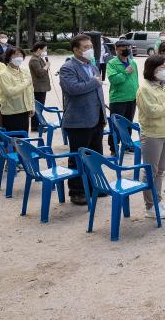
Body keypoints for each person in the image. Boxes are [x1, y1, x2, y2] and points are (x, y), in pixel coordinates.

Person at [59, 34, 108, 206]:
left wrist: (103, 113)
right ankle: (77, 191)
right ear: (75, 50)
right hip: (79, 121)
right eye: (85, 47)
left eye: (90, 46)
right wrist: (94, 83)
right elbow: (72, 89)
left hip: (96, 118)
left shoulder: (93, 66)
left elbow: (98, 92)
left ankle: (94, 186)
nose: (90, 49)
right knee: (78, 157)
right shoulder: (68, 67)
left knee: (94, 155)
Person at [136, 54, 165, 219]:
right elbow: (153, 112)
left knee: (160, 170)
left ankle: (158, 200)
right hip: (152, 134)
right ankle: (150, 206)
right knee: (150, 171)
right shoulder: (144, 88)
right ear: (151, 70)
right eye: (161, 68)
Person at [106, 40, 139, 157]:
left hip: (132, 98)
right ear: (116, 49)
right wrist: (125, 72)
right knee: (116, 125)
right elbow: (114, 80)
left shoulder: (133, 63)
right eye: (123, 47)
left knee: (129, 123)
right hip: (118, 99)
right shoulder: (112, 63)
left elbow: (136, 80)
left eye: (128, 47)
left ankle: (128, 145)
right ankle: (114, 147)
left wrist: (138, 94)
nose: (126, 49)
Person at [0, 48, 34, 134]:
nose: (19, 57)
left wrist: (31, 107)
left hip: (24, 111)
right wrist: (25, 83)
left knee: (23, 138)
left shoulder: (25, 71)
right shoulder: (4, 74)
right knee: (13, 141)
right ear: (9, 57)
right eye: (16, 55)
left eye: (21, 55)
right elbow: (9, 92)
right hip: (11, 112)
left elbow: (30, 91)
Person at [28, 42, 51, 132]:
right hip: (38, 87)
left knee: (40, 107)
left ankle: (38, 124)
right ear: (39, 49)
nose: (46, 52)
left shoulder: (39, 58)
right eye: (45, 50)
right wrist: (47, 65)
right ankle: (35, 126)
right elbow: (40, 73)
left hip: (42, 86)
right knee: (37, 107)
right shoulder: (34, 60)